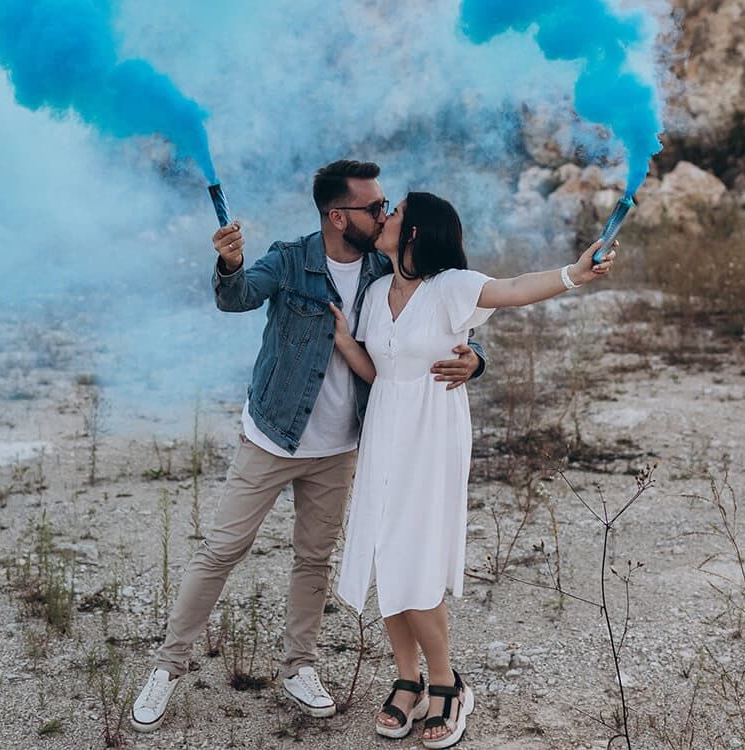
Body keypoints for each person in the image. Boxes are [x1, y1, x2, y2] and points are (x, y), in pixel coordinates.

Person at [130, 160, 488, 732]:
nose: (384, 213)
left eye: (385, 206)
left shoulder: (382, 266)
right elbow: (240, 295)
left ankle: (300, 665)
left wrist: (476, 359)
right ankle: (167, 668)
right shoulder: (291, 259)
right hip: (273, 434)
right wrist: (230, 262)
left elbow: (440, 317)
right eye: (374, 208)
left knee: (313, 559)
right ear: (337, 215)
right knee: (222, 550)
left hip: (341, 447)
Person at [330, 192, 615, 748]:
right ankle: (406, 679)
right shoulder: (373, 292)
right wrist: (344, 341)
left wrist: (574, 274)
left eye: (395, 212)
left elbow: (512, 290)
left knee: (417, 553)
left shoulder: (451, 286)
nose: (384, 216)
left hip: (432, 431)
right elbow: (376, 370)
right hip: (385, 428)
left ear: (414, 233)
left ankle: (447, 683)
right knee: (385, 552)